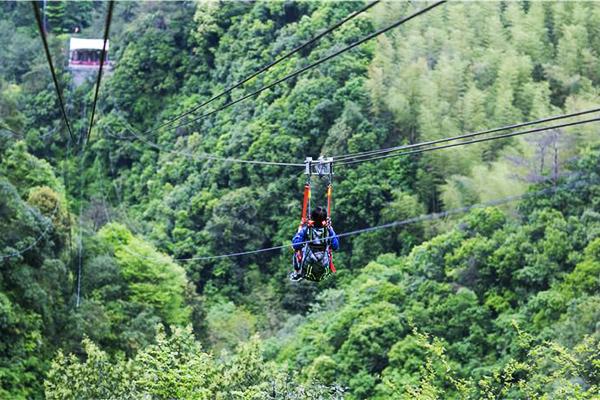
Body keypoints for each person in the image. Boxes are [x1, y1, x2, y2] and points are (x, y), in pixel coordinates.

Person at [290, 206, 339, 282]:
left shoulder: (307, 230)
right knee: (330, 248)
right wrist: (330, 228)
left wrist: (301, 227)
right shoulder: (328, 230)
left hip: (307, 268)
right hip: (324, 267)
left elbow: (295, 245)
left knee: (296, 250)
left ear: (312, 218)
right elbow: (335, 246)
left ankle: (297, 272)